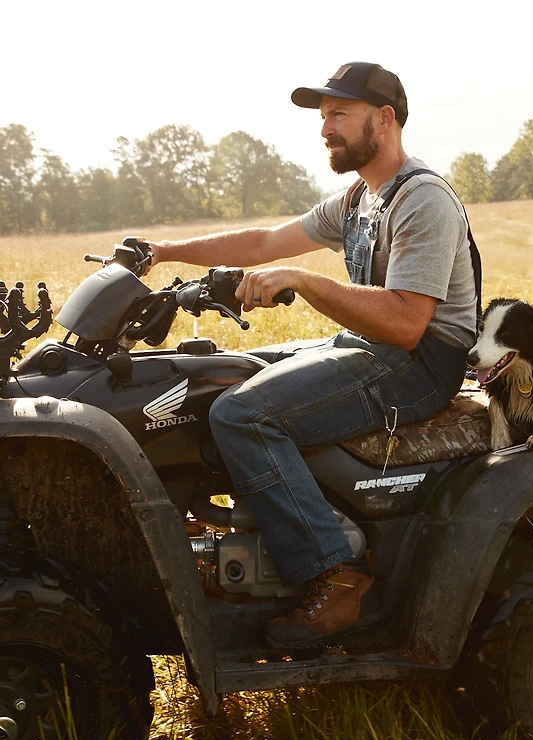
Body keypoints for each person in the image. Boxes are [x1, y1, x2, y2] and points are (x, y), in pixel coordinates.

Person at [145, 62, 480, 646]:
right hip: (376, 348)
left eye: (339, 115)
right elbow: (265, 242)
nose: (326, 128)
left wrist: (305, 280)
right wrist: (163, 250)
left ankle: (334, 574)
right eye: (323, 117)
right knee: (224, 376)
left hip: (421, 364)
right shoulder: (360, 198)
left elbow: (405, 324)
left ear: (385, 118)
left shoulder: (422, 198)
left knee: (242, 414)